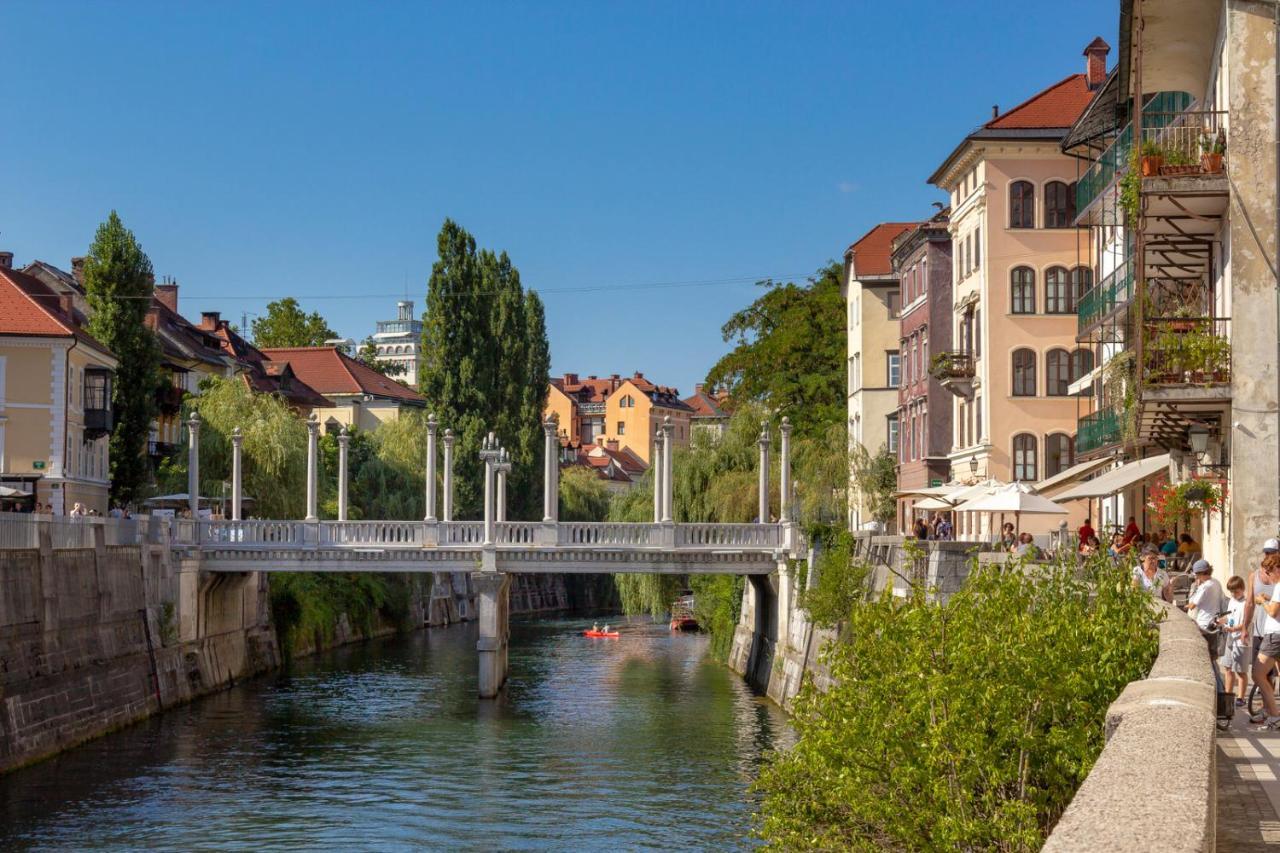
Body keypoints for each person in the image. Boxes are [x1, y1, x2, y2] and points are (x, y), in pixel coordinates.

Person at [1246, 539, 1280, 722]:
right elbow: (1250, 603)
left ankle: (1274, 714)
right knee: (1264, 674)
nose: (1268, 556)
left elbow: (1273, 612)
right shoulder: (1255, 576)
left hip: (1275, 634)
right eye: (1266, 552)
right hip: (1264, 632)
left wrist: (1264, 602)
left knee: (1259, 673)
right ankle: (1270, 712)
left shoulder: (1279, 582)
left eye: (1272, 553)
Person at [1220, 575, 1251, 707]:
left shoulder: (1247, 603)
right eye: (1231, 592)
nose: (1233, 594)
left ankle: (1241, 697)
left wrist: (1234, 629)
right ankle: (1228, 694)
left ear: (1243, 589)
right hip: (1231, 639)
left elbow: (1246, 622)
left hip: (1242, 641)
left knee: (1241, 671)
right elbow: (1229, 617)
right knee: (1228, 668)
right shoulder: (1232, 601)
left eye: (1236, 592)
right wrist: (1221, 621)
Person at [1185, 559, 1224, 656]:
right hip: (1215, 621)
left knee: (1204, 654)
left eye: (1196, 575)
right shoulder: (1216, 582)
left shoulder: (1204, 587)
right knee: (1213, 653)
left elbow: (1192, 606)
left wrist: (1185, 605)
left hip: (1204, 623)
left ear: (1201, 573)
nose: (1196, 577)